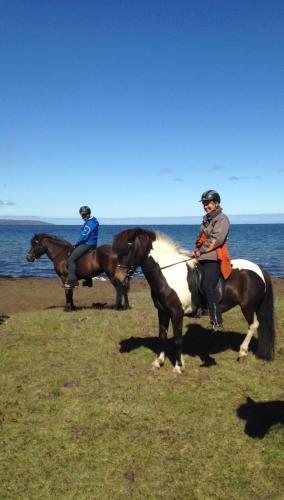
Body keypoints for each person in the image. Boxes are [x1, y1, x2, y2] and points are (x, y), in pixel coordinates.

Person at [191, 190, 231, 331]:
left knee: (208, 285)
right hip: (202, 256)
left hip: (214, 257)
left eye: (208, 203)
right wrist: (196, 251)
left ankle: (217, 321)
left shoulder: (222, 219)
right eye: (204, 203)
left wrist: (199, 251)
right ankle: (197, 308)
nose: (205, 206)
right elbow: (201, 240)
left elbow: (216, 240)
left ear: (216, 203)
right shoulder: (206, 220)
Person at [64, 206, 99, 289]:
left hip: (87, 244)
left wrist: (76, 244)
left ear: (88, 214)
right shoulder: (94, 220)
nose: (82, 217)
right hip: (93, 243)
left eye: (84, 215)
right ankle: (88, 281)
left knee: (71, 260)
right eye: (82, 215)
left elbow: (84, 237)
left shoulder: (89, 224)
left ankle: (72, 282)